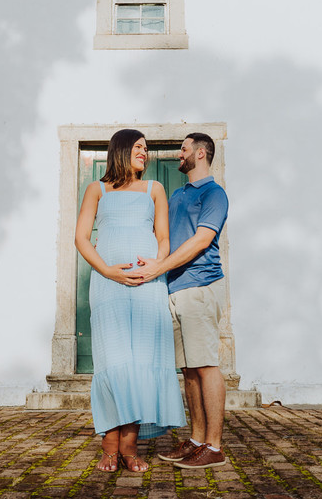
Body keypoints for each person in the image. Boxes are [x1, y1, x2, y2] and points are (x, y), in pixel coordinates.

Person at [74, 129, 185, 473]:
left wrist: (156, 266)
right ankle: (110, 445)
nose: (144, 153)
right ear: (120, 150)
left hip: (149, 285)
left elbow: (163, 238)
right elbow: (81, 238)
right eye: (138, 147)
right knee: (113, 360)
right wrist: (108, 270)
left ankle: (129, 445)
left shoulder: (155, 189)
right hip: (109, 285)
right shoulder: (97, 189)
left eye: (146, 149)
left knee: (142, 361)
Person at [128, 132, 229, 469]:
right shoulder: (177, 194)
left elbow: (201, 240)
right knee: (188, 370)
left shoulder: (214, 194)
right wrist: (147, 259)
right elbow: (165, 239)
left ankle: (214, 446)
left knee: (205, 365)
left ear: (200, 153)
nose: (178, 154)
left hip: (199, 286)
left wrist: (159, 267)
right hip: (173, 288)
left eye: (183, 149)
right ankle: (197, 440)